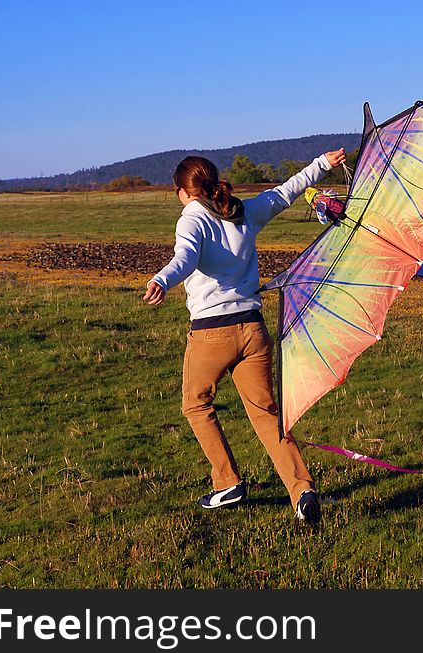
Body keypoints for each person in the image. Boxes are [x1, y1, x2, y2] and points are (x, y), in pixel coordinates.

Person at [143, 148, 347, 523]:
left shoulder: (192, 218)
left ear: (182, 192)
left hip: (211, 335)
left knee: (196, 404)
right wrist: (323, 163)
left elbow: (184, 258)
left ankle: (227, 483)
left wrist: (162, 280)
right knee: (267, 414)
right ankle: (302, 491)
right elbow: (286, 191)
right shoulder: (242, 211)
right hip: (254, 331)